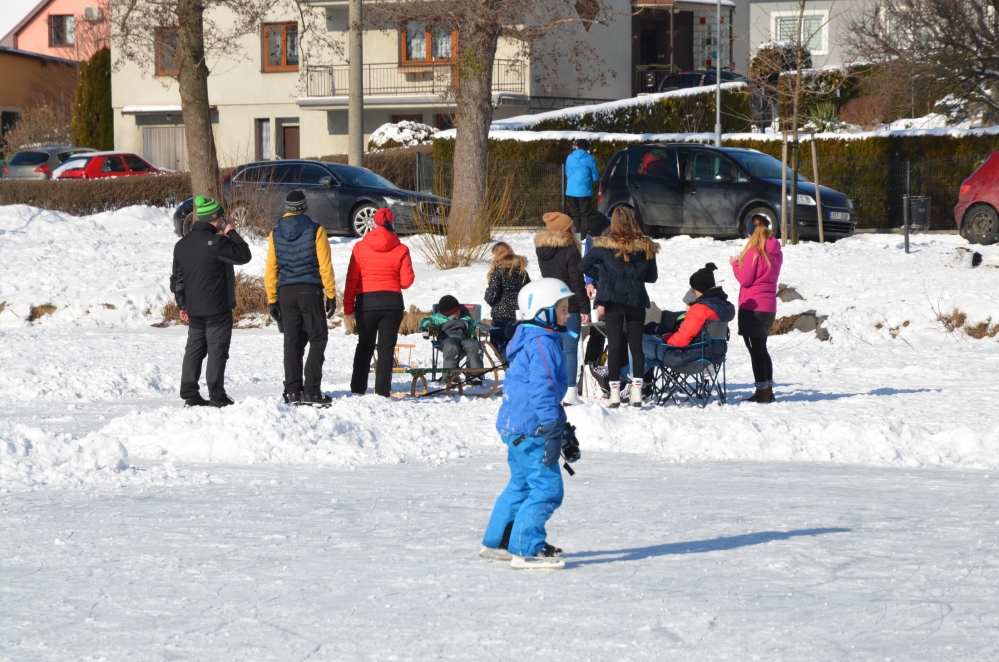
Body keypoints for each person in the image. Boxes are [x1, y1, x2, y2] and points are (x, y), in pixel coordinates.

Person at [480, 278, 578, 570]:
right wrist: (552, 428)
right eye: (562, 309)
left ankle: (498, 542)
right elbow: (542, 389)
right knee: (547, 489)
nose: (567, 315)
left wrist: (562, 425)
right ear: (542, 312)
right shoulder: (543, 343)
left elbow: (539, 391)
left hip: (517, 427)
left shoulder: (528, 337)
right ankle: (526, 548)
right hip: (532, 430)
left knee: (521, 485)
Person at [170, 196, 252, 407]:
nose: (224, 220)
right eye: (222, 218)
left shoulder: (181, 245)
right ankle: (217, 396)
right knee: (217, 350)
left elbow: (177, 280)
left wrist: (182, 305)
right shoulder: (218, 243)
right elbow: (244, 255)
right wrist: (231, 232)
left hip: (194, 309)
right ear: (214, 219)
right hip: (218, 309)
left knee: (194, 350)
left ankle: (189, 393)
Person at [578, 206, 658, 408]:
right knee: (636, 347)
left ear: (612, 223)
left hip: (613, 301)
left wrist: (606, 277)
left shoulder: (604, 246)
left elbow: (583, 265)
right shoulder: (646, 246)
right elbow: (652, 276)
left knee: (613, 346)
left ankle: (614, 394)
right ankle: (636, 392)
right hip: (636, 300)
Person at [265, 190, 338, 407]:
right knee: (318, 338)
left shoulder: (275, 233)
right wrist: (331, 294)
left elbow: (271, 270)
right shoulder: (316, 230)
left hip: (286, 292)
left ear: (287, 209)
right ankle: (312, 391)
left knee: (292, 341)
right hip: (309, 290)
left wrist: (272, 299)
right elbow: (325, 265)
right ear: (304, 208)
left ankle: (293, 391)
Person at [344, 208, 415, 397]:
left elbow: (351, 280)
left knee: (364, 344)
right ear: (392, 224)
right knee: (386, 348)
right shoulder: (401, 248)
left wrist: (349, 307)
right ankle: (382, 391)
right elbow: (406, 281)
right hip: (392, 303)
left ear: (373, 224)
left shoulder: (360, 247)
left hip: (366, 303)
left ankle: (357, 388)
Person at [535, 212, 590, 405]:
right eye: (571, 226)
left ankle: (555, 389)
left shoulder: (541, 250)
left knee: (555, 349)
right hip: (570, 308)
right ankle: (570, 392)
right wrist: (585, 308)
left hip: (550, 307)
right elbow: (577, 283)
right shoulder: (570, 251)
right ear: (564, 230)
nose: (574, 228)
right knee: (570, 349)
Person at [730, 215, 783, 403]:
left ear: (751, 232)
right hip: (768, 306)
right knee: (762, 348)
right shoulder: (776, 252)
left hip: (752, 307)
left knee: (756, 351)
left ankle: (762, 392)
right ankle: (768, 389)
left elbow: (745, 279)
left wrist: (735, 264)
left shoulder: (754, 251)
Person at [642, 273, 735, 375]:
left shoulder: (700, 309)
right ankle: (640, 381)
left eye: (693, 289)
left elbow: (681, 341)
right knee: (646, 357)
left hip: (686, 358)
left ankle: (633, 379)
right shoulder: (720, 309)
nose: (693, 292)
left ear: (699, 289)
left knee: (636, 339)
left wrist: (665, 337)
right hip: (713, 356)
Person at [483, 241, 531, 356]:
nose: (493, 257)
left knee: (498, 342)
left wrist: (488, 297)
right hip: (519, 315)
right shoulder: (522, 270)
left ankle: (510, 362)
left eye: (493, 254)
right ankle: (517, 362)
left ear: (497, 254)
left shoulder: (498, 271)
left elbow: (492, 295)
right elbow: (529, 290)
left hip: (501, 316)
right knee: (517, 343)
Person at [419, 295, 483, 372]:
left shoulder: (465, 318)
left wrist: (473, 336)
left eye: (458, 310)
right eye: (454, 312)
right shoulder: (439, 318)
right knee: (451, 346)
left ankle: (475, 375)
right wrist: (429, 325)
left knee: (474, 344)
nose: (457, 312)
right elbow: (424, 321)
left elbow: (471, 328)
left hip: (464, 339)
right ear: (447, 313)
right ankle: (450, 375)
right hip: (447, 339)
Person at [564, 139, 600, 236]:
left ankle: (576, 235)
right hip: (585, 190)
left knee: (576, 214)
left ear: (577, 147)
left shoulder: (569, 157)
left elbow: (567, 173)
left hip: (571, 190)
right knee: (585, 214)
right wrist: (588, 179)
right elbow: (595, 176)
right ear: (586, 148)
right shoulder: (590, 158)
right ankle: (584, 236)